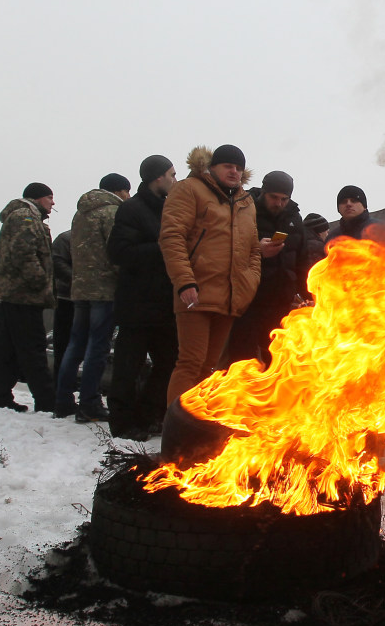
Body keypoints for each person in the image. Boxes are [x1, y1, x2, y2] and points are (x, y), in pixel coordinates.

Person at [159, 144, 260, 406]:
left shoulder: (246, 202)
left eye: (239, 168)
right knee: (190, 363)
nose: (234, 172)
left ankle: (195, 427)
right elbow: (172, 237)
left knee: (208, 368)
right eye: (228, 166)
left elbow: (253, 250)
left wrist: (249, 282)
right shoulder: (190, 189)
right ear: (212, 167)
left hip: (229, 297)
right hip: (196, 290)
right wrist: (185, 281)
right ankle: (176, 430)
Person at [107, 155, 179, 440]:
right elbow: (118, 253)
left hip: (164, 304)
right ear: (157, 178)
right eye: (172, 175)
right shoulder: (131, 209)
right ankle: (122, 422)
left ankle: (150, 414)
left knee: (169, 362)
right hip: (136, 304)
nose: (175, 180)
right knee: (128, 365)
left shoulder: (170, 210)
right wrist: (162, 248)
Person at [55, 173, 131, 422]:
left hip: (80, 288)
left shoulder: (81, 213)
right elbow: (116, 250)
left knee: (75, 344)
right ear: (120, 191)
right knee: (98, 346)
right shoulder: (111, 212)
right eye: (127, 192)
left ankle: (63, 400)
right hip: (104, 289)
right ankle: (89, 402)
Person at [221, 170, 311, 366]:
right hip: (249, 302)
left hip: (281, 304)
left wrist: (307, 293)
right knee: (242, 361)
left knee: (280, 362)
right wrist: (257, 250)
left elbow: (302, 261)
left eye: (284, 199)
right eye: (273, 197)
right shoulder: (244, 210)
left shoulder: (294, 219)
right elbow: (227, 251)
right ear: (263, 191)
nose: (278, 203)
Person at [0, 182, 58, 413]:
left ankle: (0, 395)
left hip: (11, 295)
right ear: (38, 198)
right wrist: (40, 281)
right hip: (23, 296)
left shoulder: (19, 216)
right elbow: (24, 253)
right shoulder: (25, 217)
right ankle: (46, 400)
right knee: (33, 348)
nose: (53, 203)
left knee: (6, 349)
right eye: (50, 198)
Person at [50, 230, 73, 383]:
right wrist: (78, 281)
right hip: (66, 298)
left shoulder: (65, 238)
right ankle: (60, 387)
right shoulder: (66, 239)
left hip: (80, 297)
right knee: (63, 345)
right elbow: (56, 263)